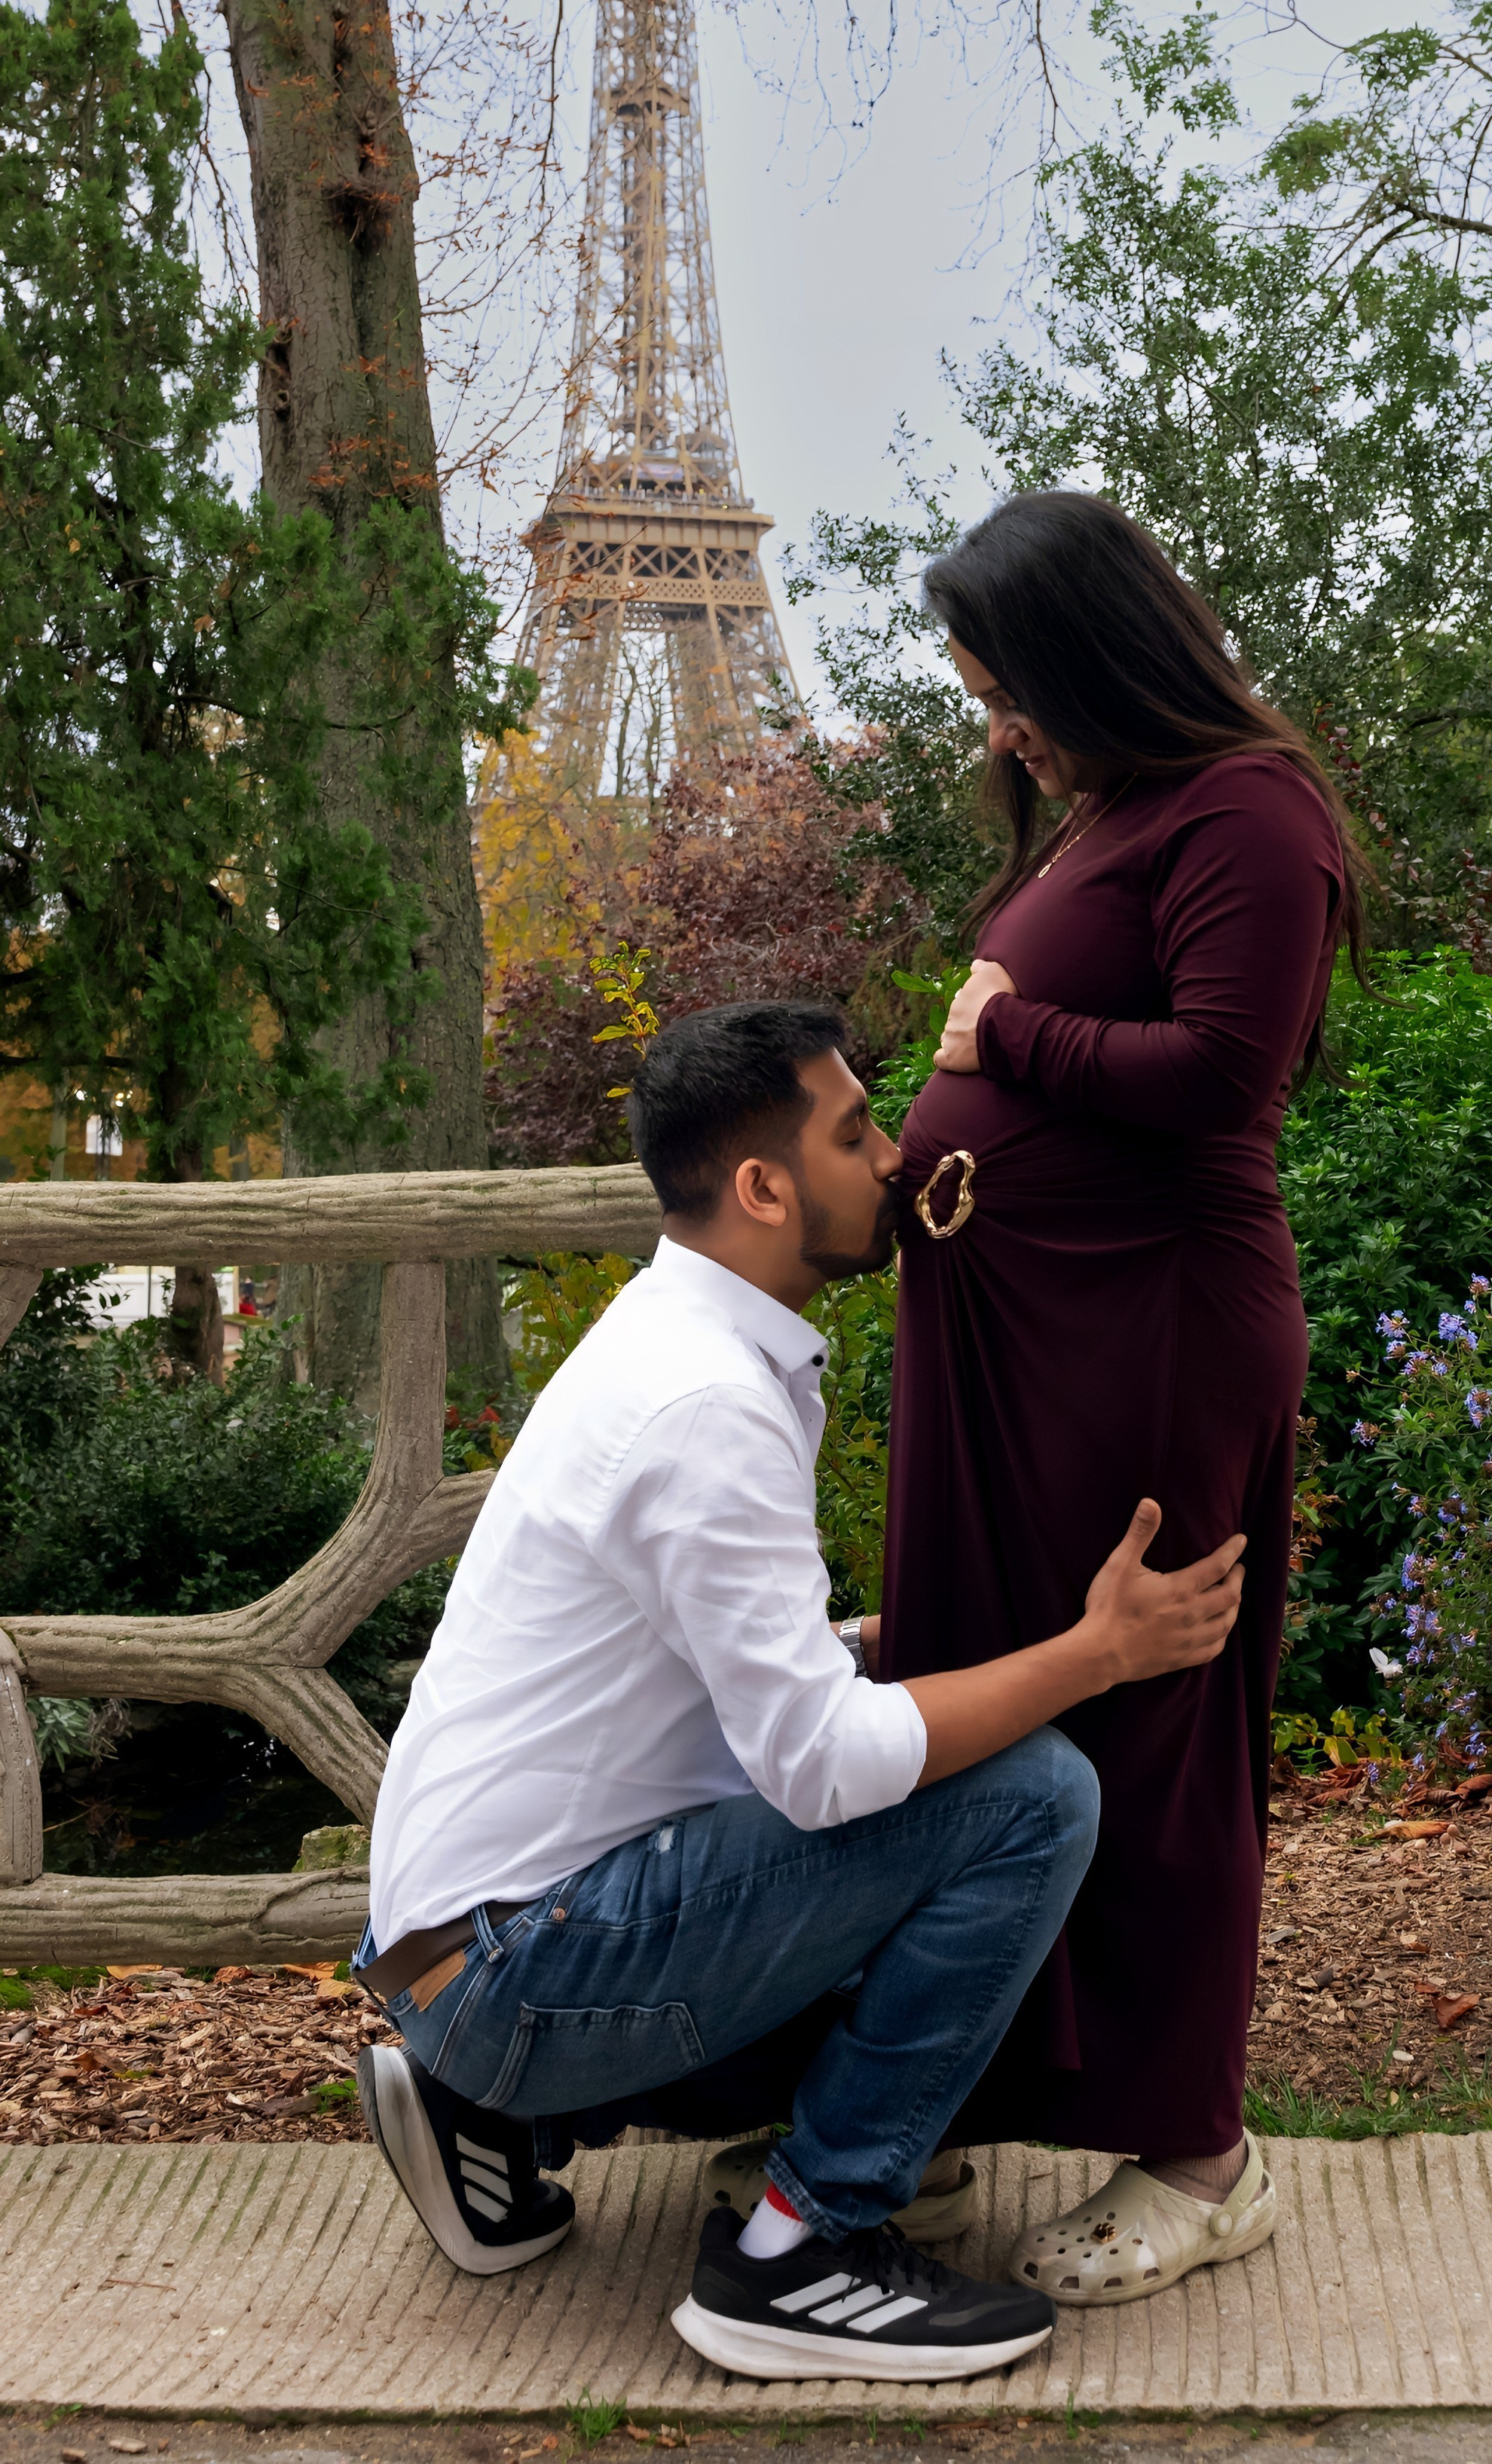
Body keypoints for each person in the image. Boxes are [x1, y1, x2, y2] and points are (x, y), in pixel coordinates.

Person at [352, 998, 1246, 2385]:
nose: (894, 1157)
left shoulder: (677, 1342)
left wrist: (886, 1640)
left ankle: (488, 2117)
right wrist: (1093, 1653)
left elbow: (710, 1681)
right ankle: (801, 2252)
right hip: (525, 1968)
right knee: (1032, 1799)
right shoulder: (706, 1402)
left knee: (916, 1801)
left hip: (463, 1947)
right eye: (856, 1130)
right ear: (764, 1186)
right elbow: (822, 1771)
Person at [879, 491, 1365, 2305]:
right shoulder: (1110, 808)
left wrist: (1001, 1036)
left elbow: (1227, 1074)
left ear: (1088, 651)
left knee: (1149, 1725)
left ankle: (1197, 2154)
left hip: (1147, 1335)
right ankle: (942, 2095)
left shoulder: (1249, 807)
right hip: (1021, 1343)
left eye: (1003, 682)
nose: (994, 722)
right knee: (989, 1703)